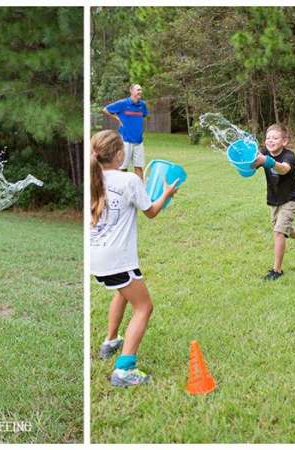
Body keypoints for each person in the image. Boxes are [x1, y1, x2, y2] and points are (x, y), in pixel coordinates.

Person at [90, 129, 178, 387]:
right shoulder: (129, 181)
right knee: (143, 307)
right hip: (118, 259)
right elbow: (150, 211)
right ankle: (124, 370)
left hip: (96, 258)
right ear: (120, 154)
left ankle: (110, 341)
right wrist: (167, 193)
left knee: (122, 293)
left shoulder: (92, 179)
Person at [253, 123, 295, 281]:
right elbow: (252, 166)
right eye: (268, 138)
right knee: (283, 228)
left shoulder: (289, 155)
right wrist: (247, 161)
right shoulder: (264, 152)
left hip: (291, 197)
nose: (270, 140)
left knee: (279, 232)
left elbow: (284, 169)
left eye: (275, 138)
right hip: (274, 198)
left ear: (284, 141)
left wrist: (267, 161)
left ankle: (277, 271)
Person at [102, 84, 149, 180]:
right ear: (131, 91)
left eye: (141, 90)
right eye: (138, 90)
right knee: (123, 168)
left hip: (139, 141)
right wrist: (117, 118)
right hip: (125, 140)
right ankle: (122, 190)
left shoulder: (142, 105)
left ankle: (140, 191)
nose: (140, 92)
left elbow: (143, 116)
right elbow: (105, 109)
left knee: (139, 167)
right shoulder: (122, 103)